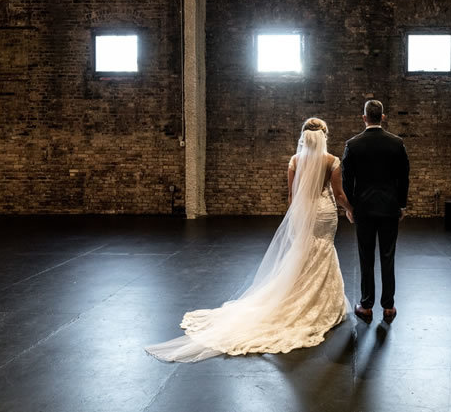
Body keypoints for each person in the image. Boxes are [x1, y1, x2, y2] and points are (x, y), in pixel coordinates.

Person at [144, 118, 354, 362]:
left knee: (301, 252)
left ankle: (296, 296)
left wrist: (297, 217)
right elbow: (338, 194)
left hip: (302, 211)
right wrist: (351, 209)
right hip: (324, 213)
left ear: (304, 137)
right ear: (324, 136)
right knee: (324, 250)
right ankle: (319, 303)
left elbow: (291, 195)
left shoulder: (296, 160)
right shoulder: (332, 161)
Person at [341, 100, 410, 325]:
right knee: (388, 257)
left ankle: (366, 306)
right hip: (389, 208)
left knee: (366, 258)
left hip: (364, 209)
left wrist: (351, 208)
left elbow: (346, 180)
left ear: (364, 118)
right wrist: (401, 205)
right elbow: (404, 178)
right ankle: (388, 306)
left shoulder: (353, 144)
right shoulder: (397, 143)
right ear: (383, 117)